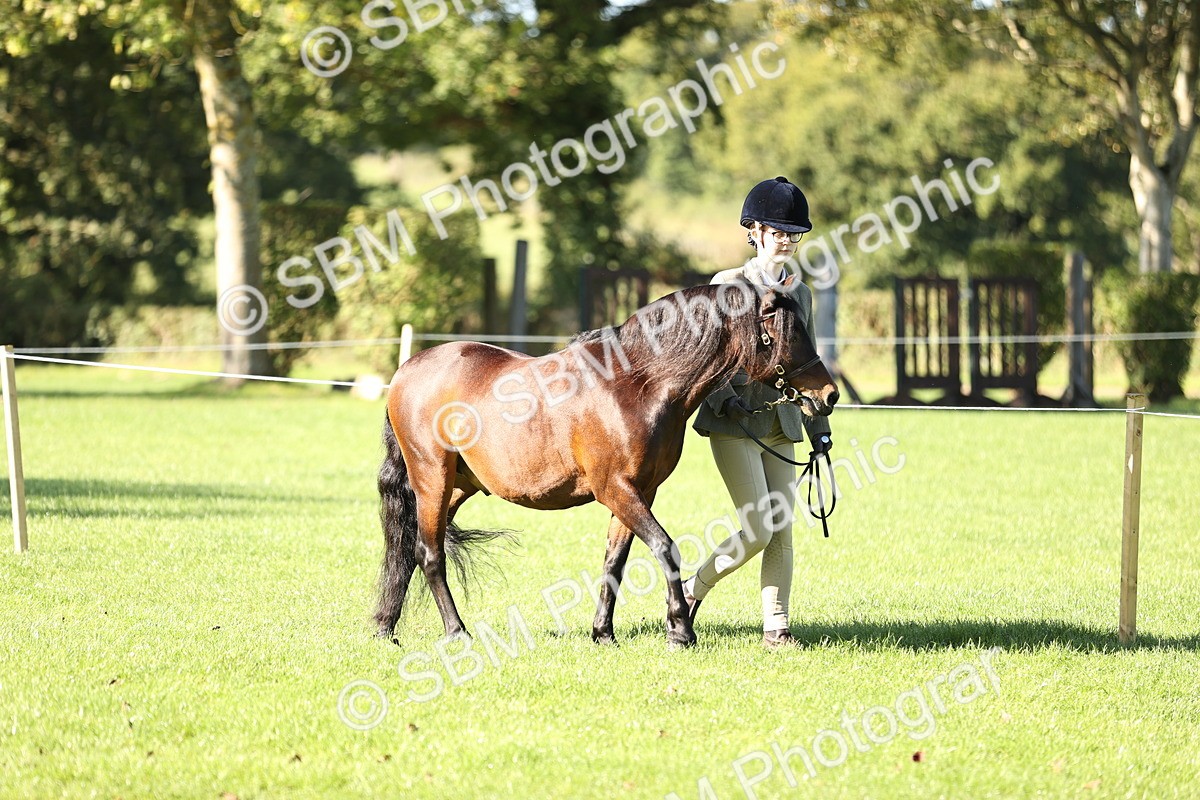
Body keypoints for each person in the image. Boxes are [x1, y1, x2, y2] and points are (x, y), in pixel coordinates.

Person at [684, 176, 833, 649]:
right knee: (757, 528)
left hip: (782, 421)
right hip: (733, 420)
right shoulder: (727, 286)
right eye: (778, 230)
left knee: (782, 531)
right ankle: (690, 591)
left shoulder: (801, 293)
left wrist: (820, 429)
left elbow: (808, 362)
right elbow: (702, 355)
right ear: (755, 231)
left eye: (794, 232)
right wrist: (718, 398)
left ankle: (777, 627)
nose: (787, 240)